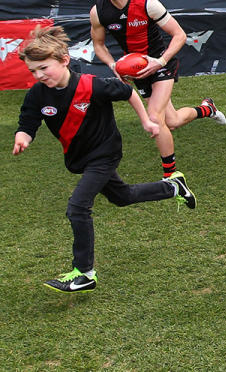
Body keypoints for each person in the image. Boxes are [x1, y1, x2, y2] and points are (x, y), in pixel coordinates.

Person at [13, 26, 196, 293]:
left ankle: (84, 273)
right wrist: (23, 137)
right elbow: (28, 121)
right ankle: (172, 187)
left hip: (105, 153)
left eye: (44, 68)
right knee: (122, 196)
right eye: (33, 71)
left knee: (78, 206)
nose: (39, 75)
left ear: (64, 60)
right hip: (80, 158)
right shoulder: (37, 95)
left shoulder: (92, 84)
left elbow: (128, 92)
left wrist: (146, 121)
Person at [89, 0, 226, 179]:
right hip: (137, 71)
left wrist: (160, 62)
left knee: (154, 117)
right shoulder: (98, 12)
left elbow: (179, 35)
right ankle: (207, 109)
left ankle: (171, 176)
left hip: (162, 64)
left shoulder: (147, 4)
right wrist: (113, 64)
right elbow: (98, 44)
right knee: (172, 121)